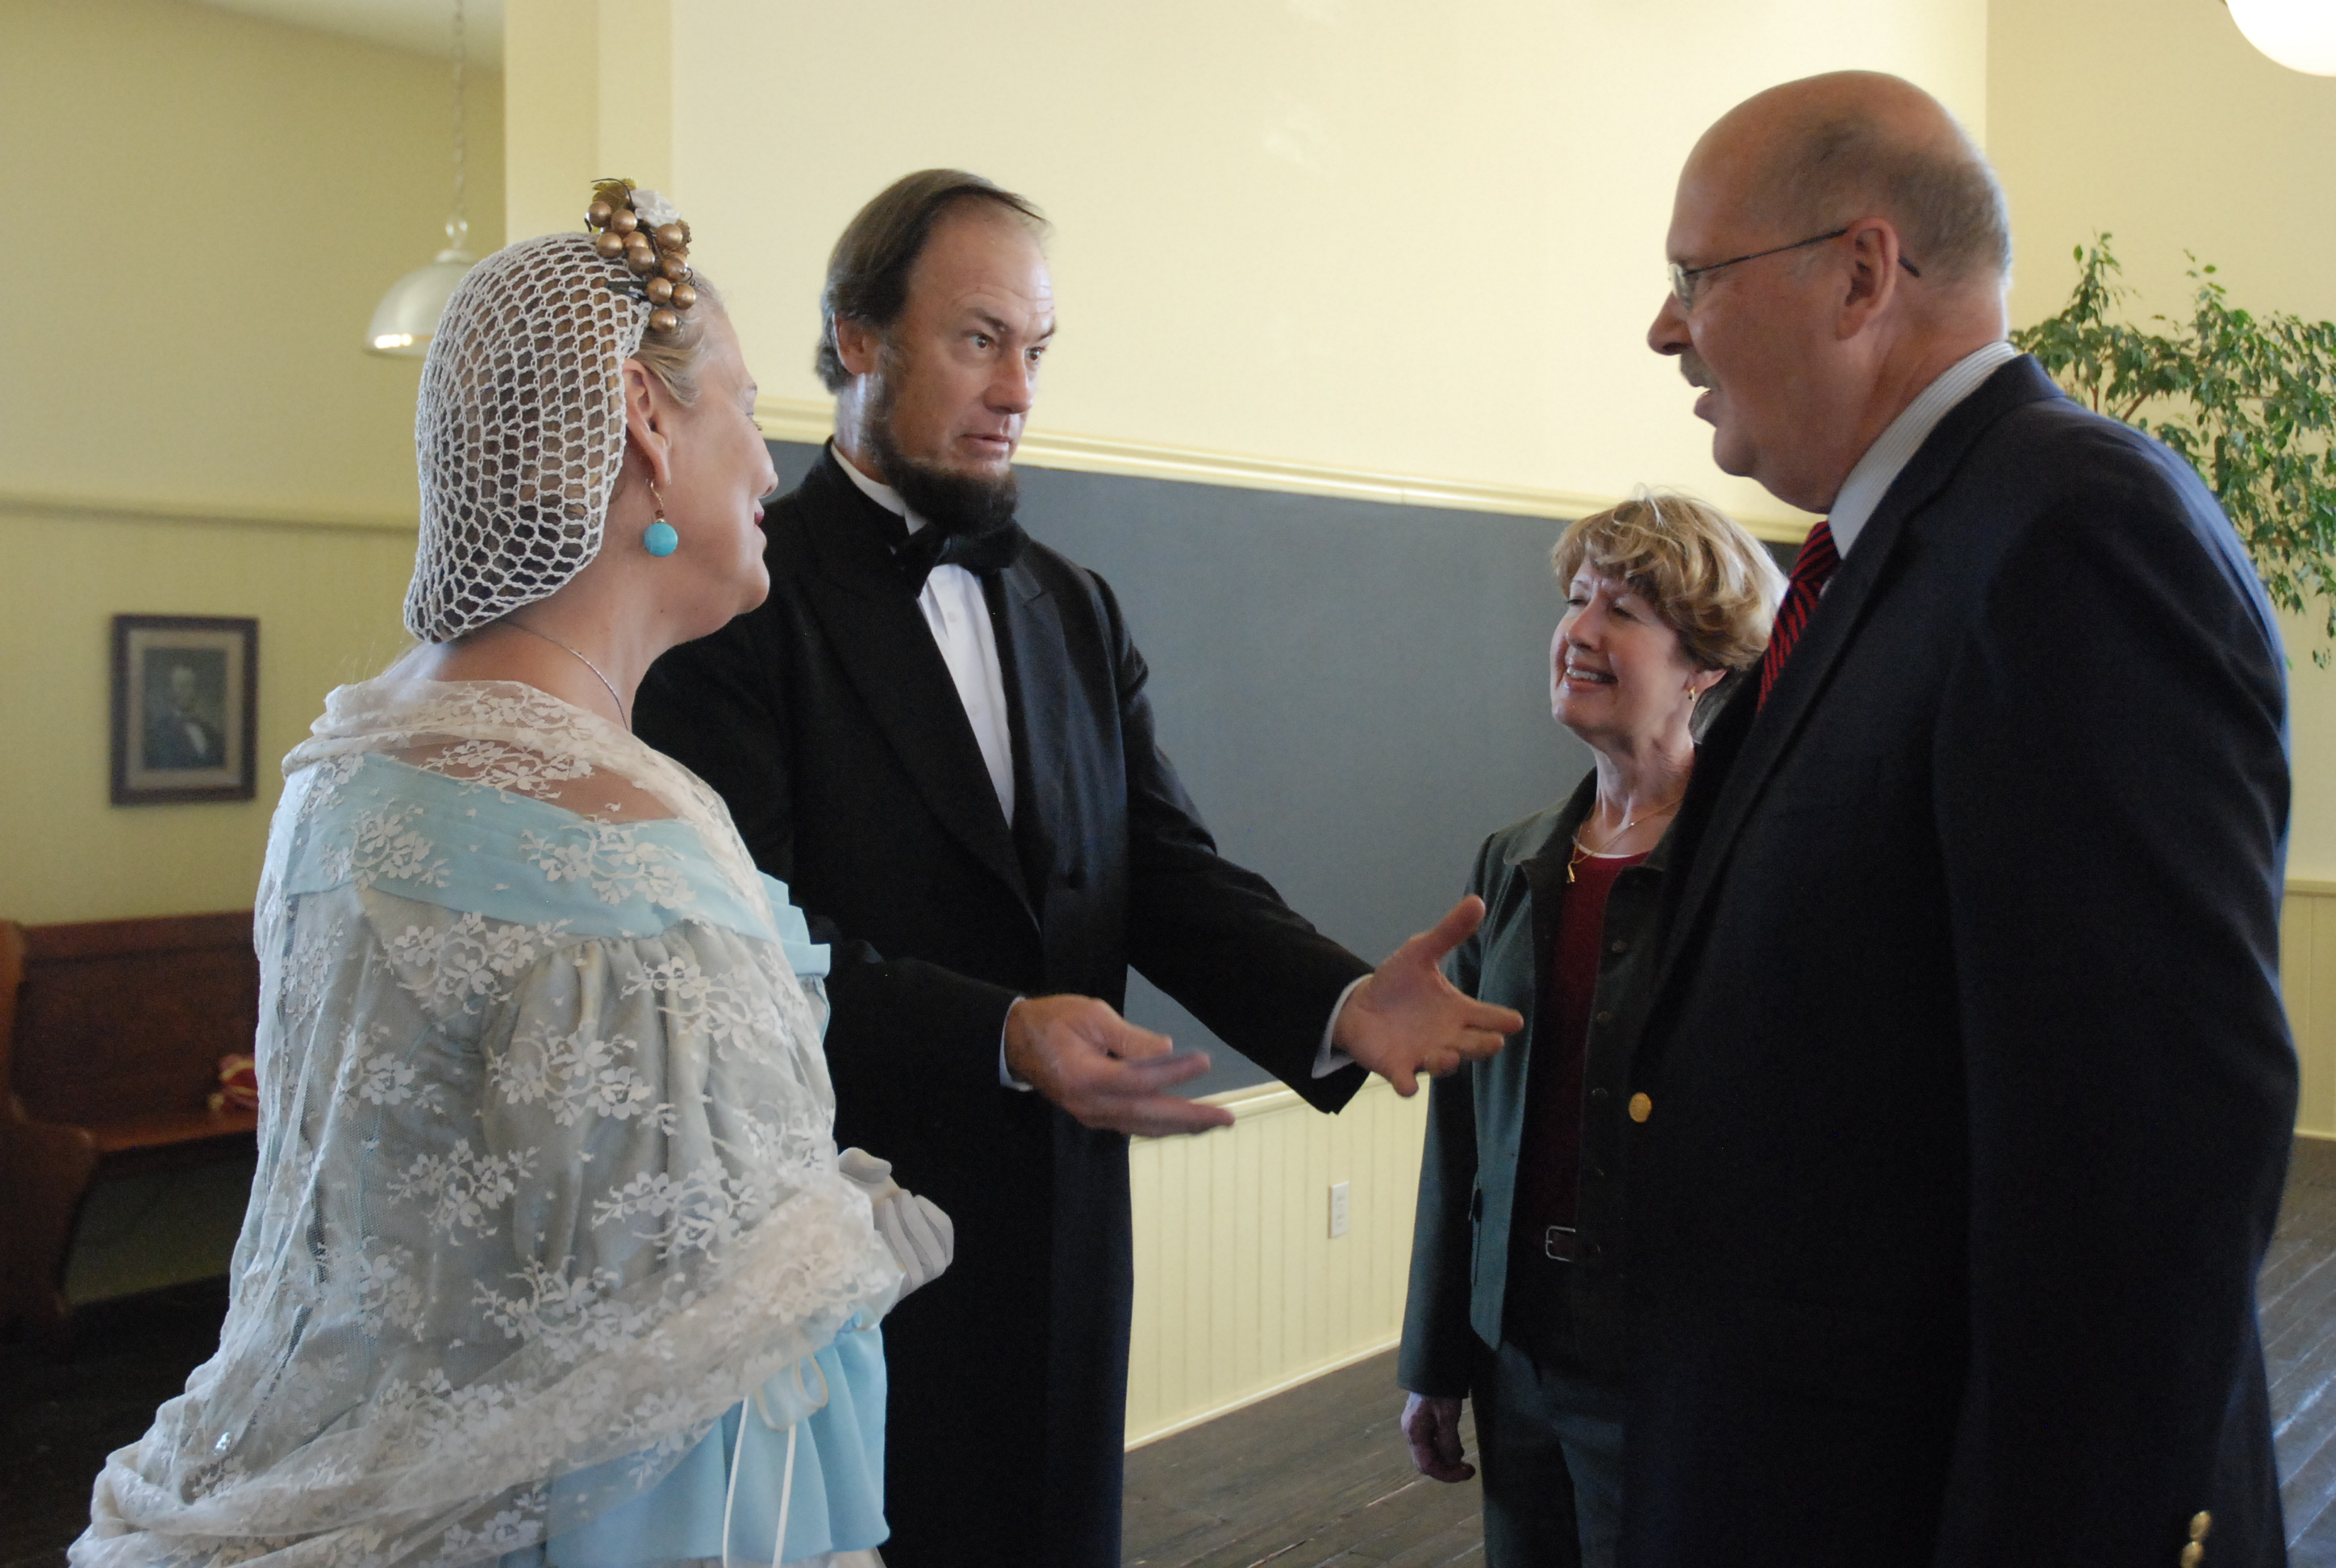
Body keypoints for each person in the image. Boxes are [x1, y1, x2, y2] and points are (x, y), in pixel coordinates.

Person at [632, 169, 1520, 1566]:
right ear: (859, 337)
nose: (1018, 391)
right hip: (844, 1228)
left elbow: (1157, 869)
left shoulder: (1071, 604)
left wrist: (1341, 1002)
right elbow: (741, 948)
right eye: (979, 340)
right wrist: (999, 1033)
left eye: (1037, 350)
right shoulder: (739, 598)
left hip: (1064, 1229)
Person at [77, 185, 951, 1568]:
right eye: (742, 402)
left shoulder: (350, 761)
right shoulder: (611, 839)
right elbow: (689, 1369)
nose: (771, 463)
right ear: (647, 421)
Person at [1626, 72, 2295, 1565]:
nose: (1667, 328)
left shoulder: (2073, 535)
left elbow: (2144, 1171)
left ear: (1862, 274)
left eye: (1697, 276)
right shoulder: (1905, 547)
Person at [1395, 494, 1782, 1568]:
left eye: (1625, 611)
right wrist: (1436, 1354)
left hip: (1675, 1364)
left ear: (1705, 664)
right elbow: (1463, 1128)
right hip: (1516, 1347)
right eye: (1575, 599)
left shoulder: (1752, 858)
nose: (1579, 630)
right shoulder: (1512, 861)